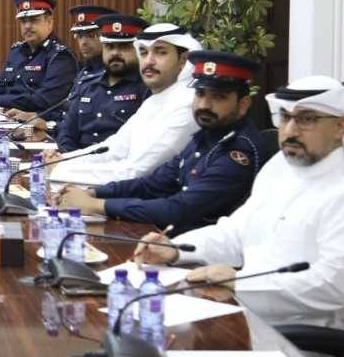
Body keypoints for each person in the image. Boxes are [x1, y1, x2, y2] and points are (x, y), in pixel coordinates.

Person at [134, 77, 344, 357]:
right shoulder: (281, 172)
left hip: (305, 353)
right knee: (140, 348)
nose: (290, 130)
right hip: (244, 323)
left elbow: (333, 286)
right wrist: (175, 249)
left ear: (341, 127)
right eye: (285, 117)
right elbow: (235, 233)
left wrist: (238, 281)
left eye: (306, 119)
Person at [58, 51, 267, 233]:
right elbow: (151, 184)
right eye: (200, 94)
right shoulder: (207, 135)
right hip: (165, 241)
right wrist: (93, 192)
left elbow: (179, 209)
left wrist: (96, 205)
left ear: (243, 104)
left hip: (199, 255)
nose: (205, 105)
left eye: (219, 97)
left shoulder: (238, 151)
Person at [47, 22, 200, 184]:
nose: (149, 61)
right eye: (143, 52)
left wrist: (60, 169)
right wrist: (62, 160)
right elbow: (113, 149)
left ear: (183, 60)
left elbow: (137, 171)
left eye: (160, 52)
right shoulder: (155, 101)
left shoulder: (187, 103)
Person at [0, 0, 77, 121]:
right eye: (23, 21)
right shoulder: (16, 51)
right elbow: (1, 85)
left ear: (49, 22)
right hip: (6, 119)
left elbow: (44, 100)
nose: (27, 26)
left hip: (38, 124)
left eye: (34, 20)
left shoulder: (60, 56)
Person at [54, 14, 149, 152]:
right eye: (109, 47)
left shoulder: (146, 89)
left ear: (139, 51)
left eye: (124, 47)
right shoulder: (88, 85)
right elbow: (67, 133)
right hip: (78, 160)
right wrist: (69, 159)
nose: (115, 53)